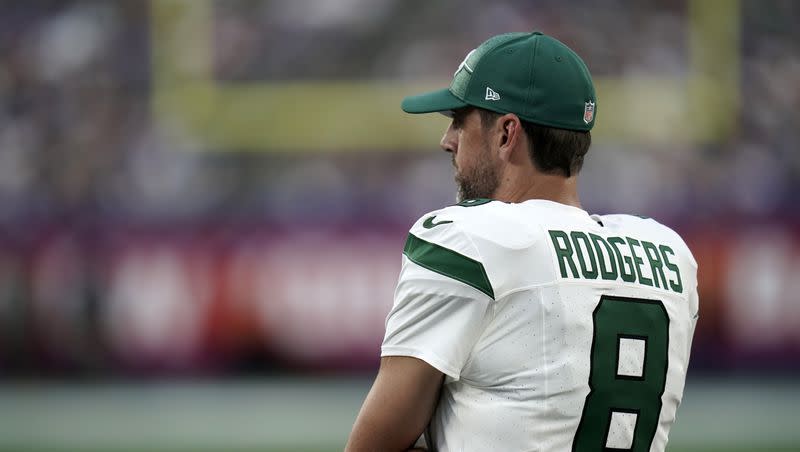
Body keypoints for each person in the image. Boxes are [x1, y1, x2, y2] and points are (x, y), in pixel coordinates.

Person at [345, 31, 698, 452]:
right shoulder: (668, 255)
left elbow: (373, 446)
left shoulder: (469, 239)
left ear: (506, 133)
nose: (448, 140)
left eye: (460, 120)